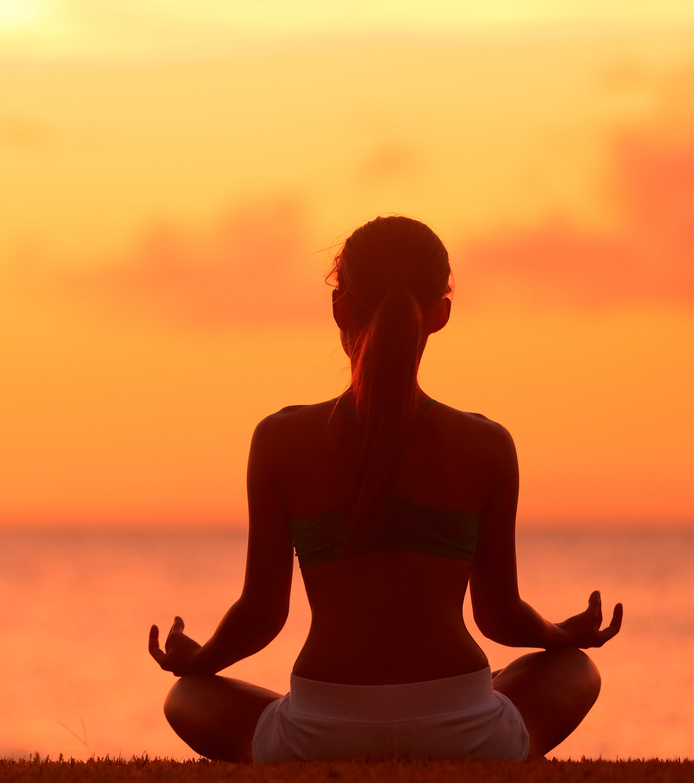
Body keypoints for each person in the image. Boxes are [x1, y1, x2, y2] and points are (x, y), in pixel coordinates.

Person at [149, 215, 622, 762]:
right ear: (441, 313)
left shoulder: (280, 440)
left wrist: (200, 659)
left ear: (339, 306)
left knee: (186, 696)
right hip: (466, 731)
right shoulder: (487, 444)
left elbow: (263, 613)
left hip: (318, 732)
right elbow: (500, 616)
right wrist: (564, 635)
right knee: (574, 668)